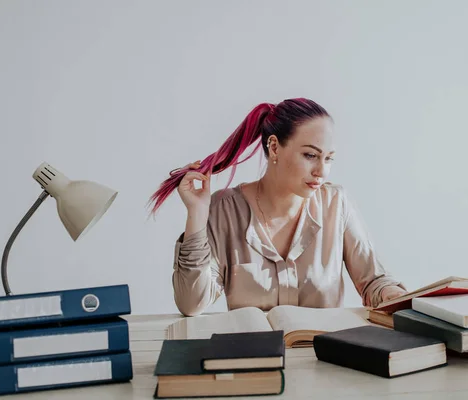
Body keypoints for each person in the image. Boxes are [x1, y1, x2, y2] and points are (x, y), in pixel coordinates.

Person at [149, 98, 407, 316]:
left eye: (329, 159)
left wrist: (392, 294)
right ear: (274, 147)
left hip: (325, 364)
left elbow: (373, 281)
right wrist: (196, 214)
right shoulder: (225, 208)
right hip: (254, 365)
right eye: (310, 155)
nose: (321, 172)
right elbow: (191, 304)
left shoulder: (336, 204)